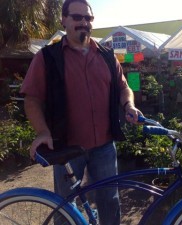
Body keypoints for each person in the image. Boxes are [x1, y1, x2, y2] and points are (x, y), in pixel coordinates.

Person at [20, 0, 143, 224]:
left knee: (109, 200)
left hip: (104, 147)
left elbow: (124, 87)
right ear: (64, 20)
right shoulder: (47, 58)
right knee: (65, 206)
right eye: (77, 17)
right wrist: (42, 132)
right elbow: (32, 98)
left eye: (88, 18)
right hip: (67, 148)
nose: (84, 22)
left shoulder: (107, 56)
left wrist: (129, 105)